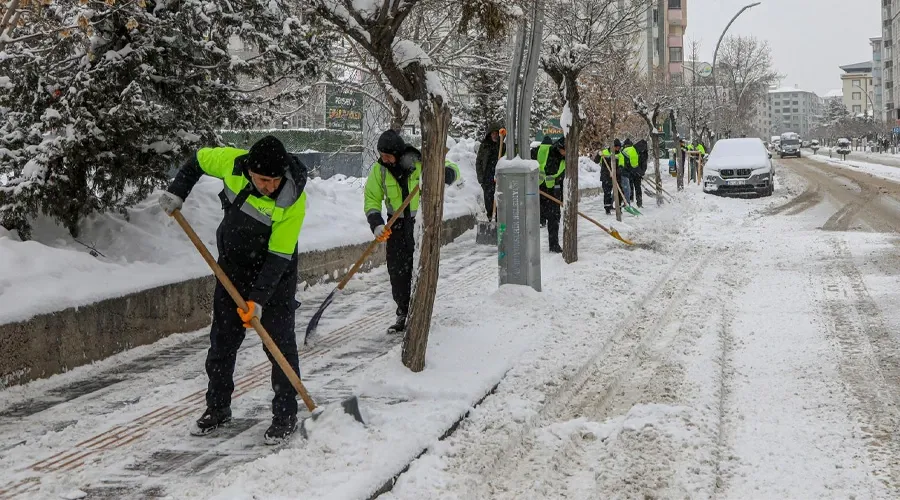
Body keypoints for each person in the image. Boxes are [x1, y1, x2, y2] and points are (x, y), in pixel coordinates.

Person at [158, 135, 308, 445]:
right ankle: (218, 408)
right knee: (222, 343)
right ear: (250, 170)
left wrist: (258, 300)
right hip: (232, 269)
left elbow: (279, 257)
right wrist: (177, 192)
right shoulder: (231, 163)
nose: (270, 187)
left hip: (275, 276)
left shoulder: (292, 198)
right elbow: (197, 160)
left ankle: (285, 414)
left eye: (275, 180)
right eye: (263, 180)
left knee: (278, 345)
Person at [364, 130, 459, 334]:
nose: (384, 159)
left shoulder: (420, 162)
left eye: (387, 155)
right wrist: (376, 223)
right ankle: (403, 312)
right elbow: (371, 197)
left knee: (421, 269)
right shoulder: (380, 170)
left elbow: (453, 169)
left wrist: (445, 174)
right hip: (396, 226)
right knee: (398, 271)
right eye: (381, 155)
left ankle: (420, 312)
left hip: (421, 225)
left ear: (397, 153)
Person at [535, 137, 566, 253]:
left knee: (555, 217)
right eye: (565, 151)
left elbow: (562, 178)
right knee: (535, 216)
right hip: (538, 189)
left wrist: (562, 198)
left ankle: (554, 245)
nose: (566, 153)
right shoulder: (544, 151)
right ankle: (528, 247)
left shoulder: (564, 158)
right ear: (559, 148)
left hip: (553, 191)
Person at [475, 123, 505, 221]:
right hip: (487, 177)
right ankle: (490, 218)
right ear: (490, 135)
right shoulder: (484, 146)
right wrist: (481, 178)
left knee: (500, 201)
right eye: (493, 134)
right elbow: (479, 162)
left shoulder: (502, 146)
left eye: (496, 134)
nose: (495, 136)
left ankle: (499, 220)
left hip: (499, 178)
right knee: (489, 200)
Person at [596, 139, 625, 215]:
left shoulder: (620, 155)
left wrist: (615, 172)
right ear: (613, 146)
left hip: (616, 176)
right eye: (617, 147)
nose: (618, 149)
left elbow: (621, 166)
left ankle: (619, 208)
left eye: (619, 147)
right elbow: (596, 161)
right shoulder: (604, 152)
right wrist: (598, 155)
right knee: (607, 193)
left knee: (619, 192)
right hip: (605, 176)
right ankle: (607, 209)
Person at [532, 136, 554, 228]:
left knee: (540, 202)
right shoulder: (553, 150)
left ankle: (542, 220)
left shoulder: (537, 150)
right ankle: (551, 220)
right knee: (550, 202)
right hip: (550, 181)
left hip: (539, 181)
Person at [632, 139, 649, 208]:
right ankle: (628, 202)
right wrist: (639, 171)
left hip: (638, 173)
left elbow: (644, 164)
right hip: (632, 172)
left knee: (638, 188)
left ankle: (639, 203)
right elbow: (634, 163)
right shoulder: (634, 151)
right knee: (629, 188)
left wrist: (642, 172)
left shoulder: (644, 153)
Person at [621, 138, 638, 203]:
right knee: (629, 186)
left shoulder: (623, 150)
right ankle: (630, 199)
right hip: (631, 170)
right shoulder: (633, 149)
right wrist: (635, 169)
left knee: (626, 187)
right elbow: (634, 161)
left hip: (624, 170)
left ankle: (626, 200)